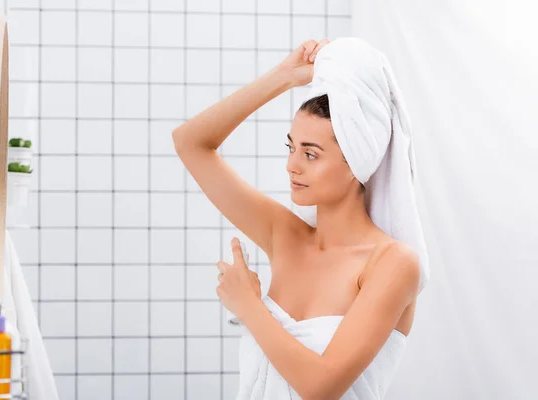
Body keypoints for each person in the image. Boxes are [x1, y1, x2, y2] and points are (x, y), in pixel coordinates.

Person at [173, 38, 421, 399]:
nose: (292, 165)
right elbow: (189, 142)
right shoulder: (284, 235)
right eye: (291, 147)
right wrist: (284, 77)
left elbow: (320, 387)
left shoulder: (393, 263)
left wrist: (249, 305)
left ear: (357, 161)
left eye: (311, 154)